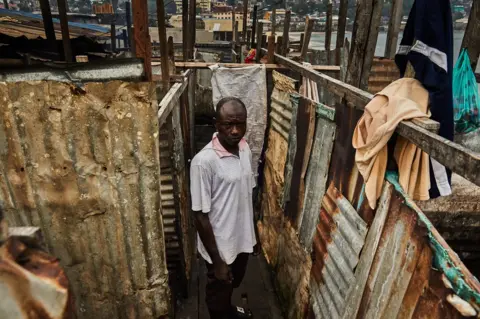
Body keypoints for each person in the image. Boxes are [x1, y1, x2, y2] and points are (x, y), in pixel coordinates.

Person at [190, 97, 259, 319]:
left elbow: (247, 194)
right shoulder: (204, 162)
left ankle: (230, 310)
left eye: (240, 124)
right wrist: (218, 262)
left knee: (233, 283)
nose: (235, 131)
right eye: (228, 124)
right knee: (217, 298)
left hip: (242, 241)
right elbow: (200, 216)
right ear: (216, 124)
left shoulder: (245, 149)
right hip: (220, 247)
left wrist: (252, 236)